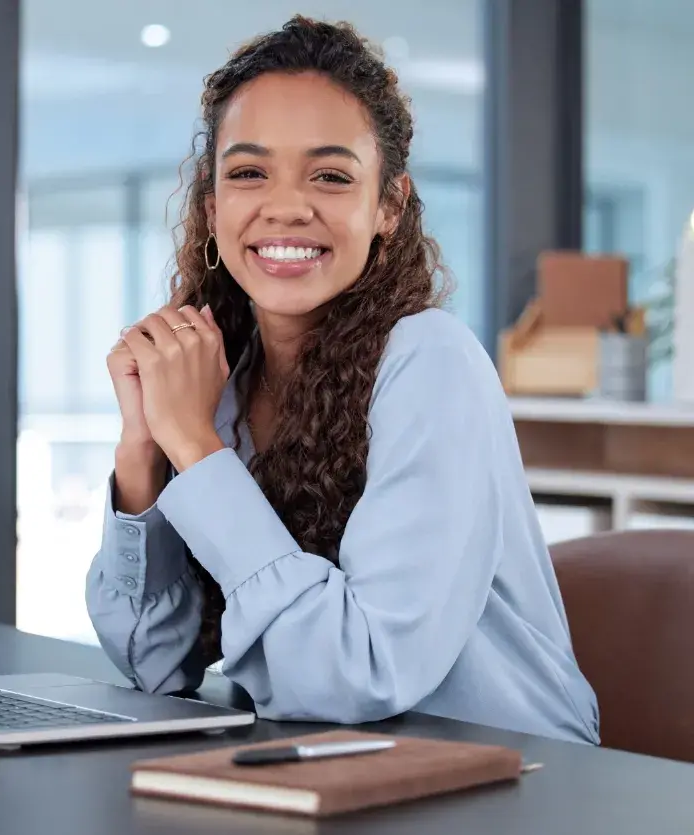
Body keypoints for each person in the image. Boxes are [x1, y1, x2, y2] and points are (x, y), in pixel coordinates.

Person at [86, 16, 599, 744]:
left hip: (506, 780)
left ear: (388, 205)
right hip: (332, 766)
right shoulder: (220, 379)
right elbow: (153, 662)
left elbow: (358, 672)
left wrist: (197, 449)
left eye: (330, 175)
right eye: (248, 172)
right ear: (211, 207)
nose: (288, 206)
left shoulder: (432, 362)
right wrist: (145, 447)